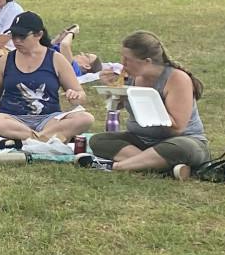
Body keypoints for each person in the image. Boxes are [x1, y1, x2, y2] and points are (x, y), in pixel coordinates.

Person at [86, 32, 209, 178]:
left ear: (147, 61)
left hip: (180, 141)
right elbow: (118, 106)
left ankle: (116, 167)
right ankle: (162, 167)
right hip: (141, 140)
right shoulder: (131, 77)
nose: (122, 63)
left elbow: (177, 127)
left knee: (181, 149)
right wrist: (114, 91)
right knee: (98, 140)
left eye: (128, 59)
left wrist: (144, 102)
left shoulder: (177, 79)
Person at [0, 11, 93, 148]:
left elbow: (80, 95)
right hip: (12, 120)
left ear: (38, 35)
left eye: (22, 36)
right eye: (13, 35)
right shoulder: (5, 60)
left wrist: (75, 96)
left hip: (49, 120)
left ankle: (28, 140)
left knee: (85, 118)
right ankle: (46, 139)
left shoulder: (56, 59)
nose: (16, 41)